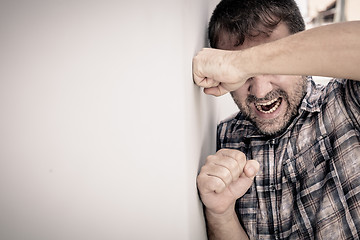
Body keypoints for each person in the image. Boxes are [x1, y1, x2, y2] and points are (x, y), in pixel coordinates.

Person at [193, 0, 360, 239]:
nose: (260, 91)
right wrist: (221, 213)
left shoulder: (346, 103)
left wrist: (240, 63)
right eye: (243, 74)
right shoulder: (223, 141)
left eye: (272, 62)